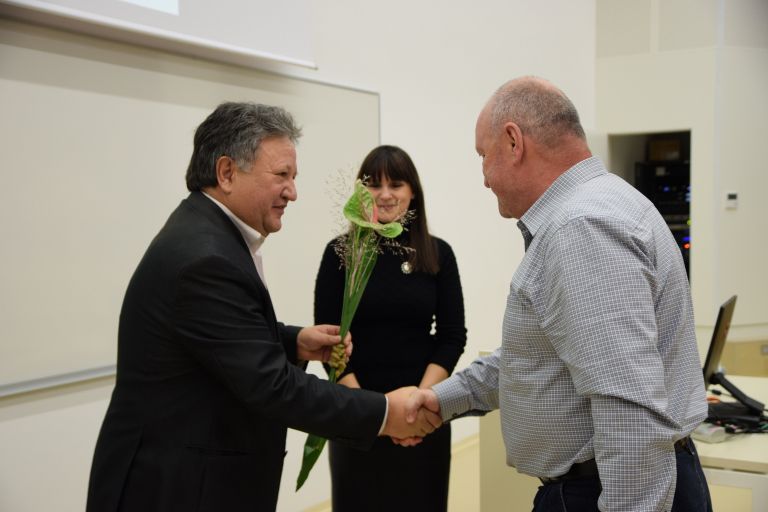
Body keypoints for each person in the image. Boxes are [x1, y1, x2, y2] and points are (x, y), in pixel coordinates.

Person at [86, 102, 440, 512]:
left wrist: (294, 342)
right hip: (175, 487)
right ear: (226, 172)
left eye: (294, 177)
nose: (292, 191)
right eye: (281, 175)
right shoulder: (205, 258)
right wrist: (384, 412)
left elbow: (227, 340)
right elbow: (273, 386)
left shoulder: (206, 234)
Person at [405, 77, 712, 511]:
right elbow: (537, 357)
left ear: (514, 142)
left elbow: (629, 411)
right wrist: (442, 399)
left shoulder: (580, 228)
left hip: (602, 492)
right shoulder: (605, 204)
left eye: (483, 156)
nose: (484, 179)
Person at [314, 145, 467, 511]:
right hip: (358, 418)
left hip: (424, 417)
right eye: (374, 184)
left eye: (395, 184)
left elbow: (452, 337)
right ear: (360, 192)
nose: (384, 194)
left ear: (412, 192)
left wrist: (417, 409)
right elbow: (328, 343)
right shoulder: (340, 254)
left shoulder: (437, 254)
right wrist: (374, 415)